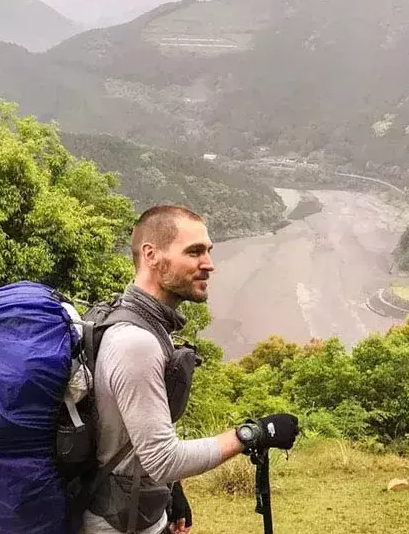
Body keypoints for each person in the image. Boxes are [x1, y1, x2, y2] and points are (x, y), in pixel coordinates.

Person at [83, 205, 299, 534]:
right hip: (118, 524)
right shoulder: (134, 343)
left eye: (208, 251)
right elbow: (163, 459)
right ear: (151, 255)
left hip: (135, 512)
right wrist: (252, 434)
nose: (209, 264)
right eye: (195, 251)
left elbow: (137, 434)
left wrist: (172, 492)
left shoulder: (136, 321)